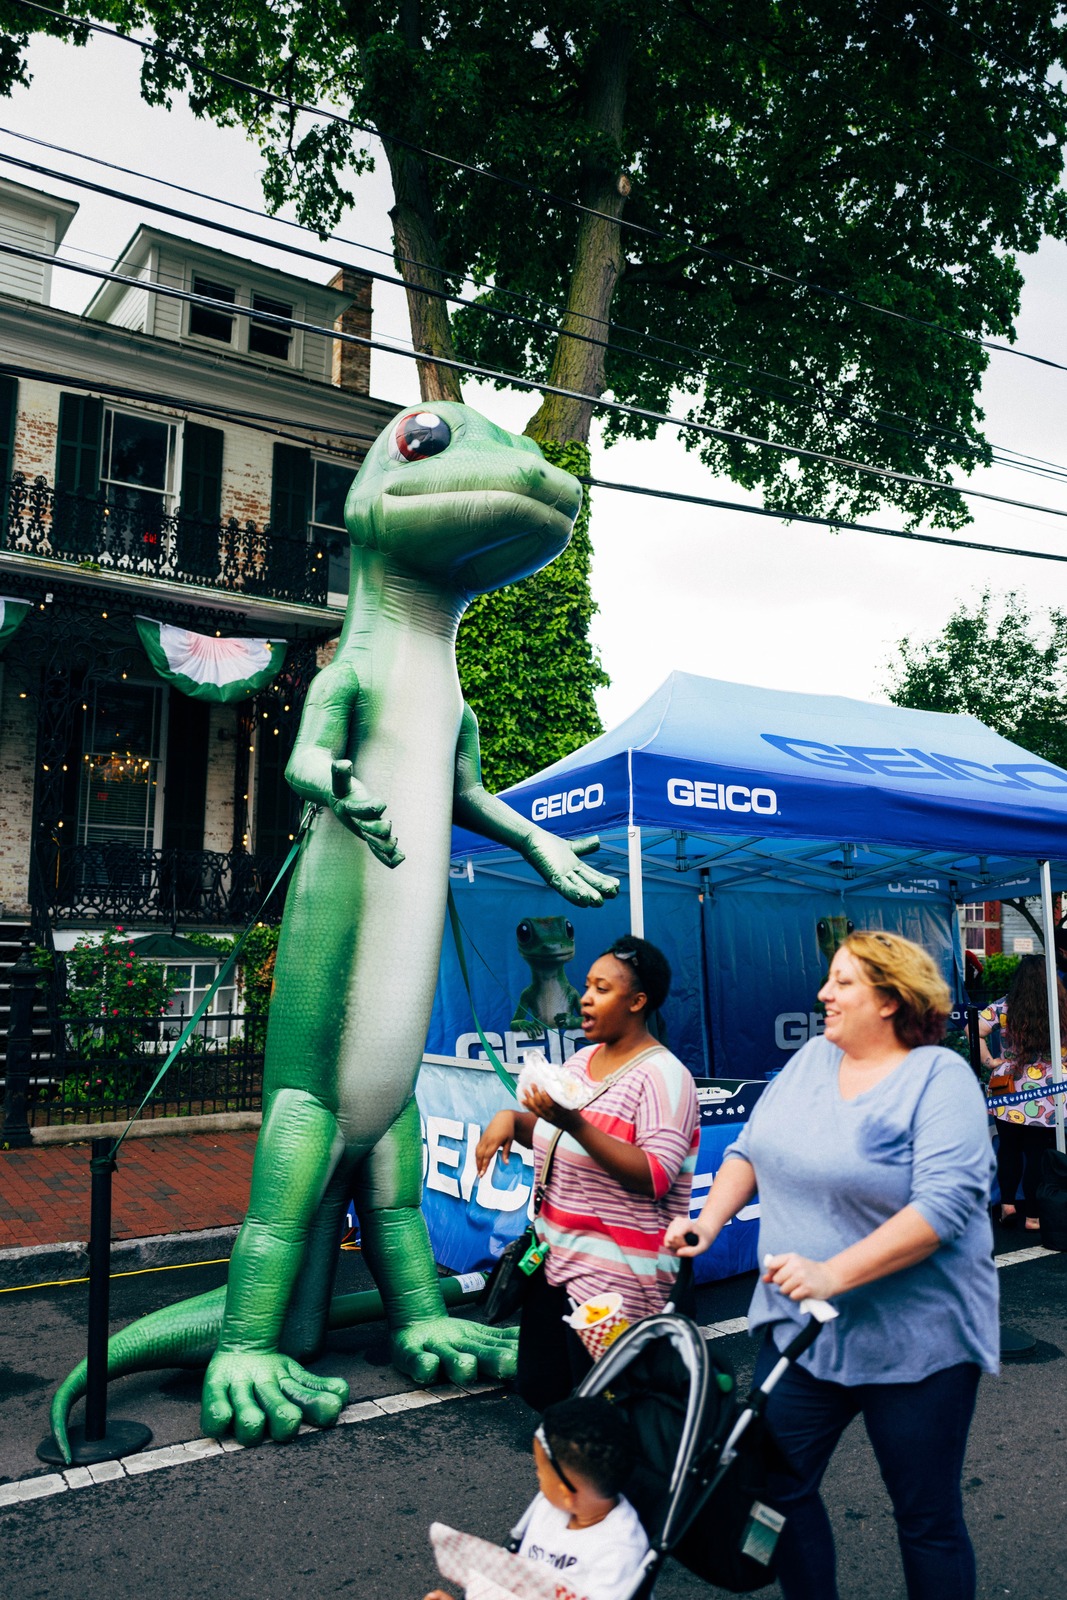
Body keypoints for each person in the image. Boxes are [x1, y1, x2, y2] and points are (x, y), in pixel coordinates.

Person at [666, 930, 998, 1600]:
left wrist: (830, 1274)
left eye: (842, 981)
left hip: (916, 1345)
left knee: (925, 1518)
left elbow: (943, 1208)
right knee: (776, 1492)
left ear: (889, 998)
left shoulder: (938, 1078)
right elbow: (752, 1150)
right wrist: (707, 1221)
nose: (823, 993)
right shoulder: (812, 1058)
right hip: (801, 1338)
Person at [476, 936, 700, 1411]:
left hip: (618, 1283)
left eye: (602, 988)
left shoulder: (665, 1076)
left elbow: (655, 1174)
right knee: (543, 1390)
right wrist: (511, 1121)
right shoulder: (581, 1062)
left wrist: (573, 1121)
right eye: (587, 986)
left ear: (637, 1002)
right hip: (553, 1265)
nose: (586, 997)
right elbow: (555, 1135)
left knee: (610, 1413)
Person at [423, 1396, 649, 1600]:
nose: (536, 1475)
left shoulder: (617, 1555)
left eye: (540, 1472)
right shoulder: (549, 1507)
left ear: (566, 1494)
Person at [983, 955, 1067, 1229]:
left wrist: (990, 1061)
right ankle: (1033, 1216)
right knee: (1038, 1154)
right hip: (1049, 1093)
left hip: (1007, 1088)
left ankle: (1007, 1206)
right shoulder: (1061, 1006)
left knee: (1008, 1148)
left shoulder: (1005, 1006)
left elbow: (973, 1027)